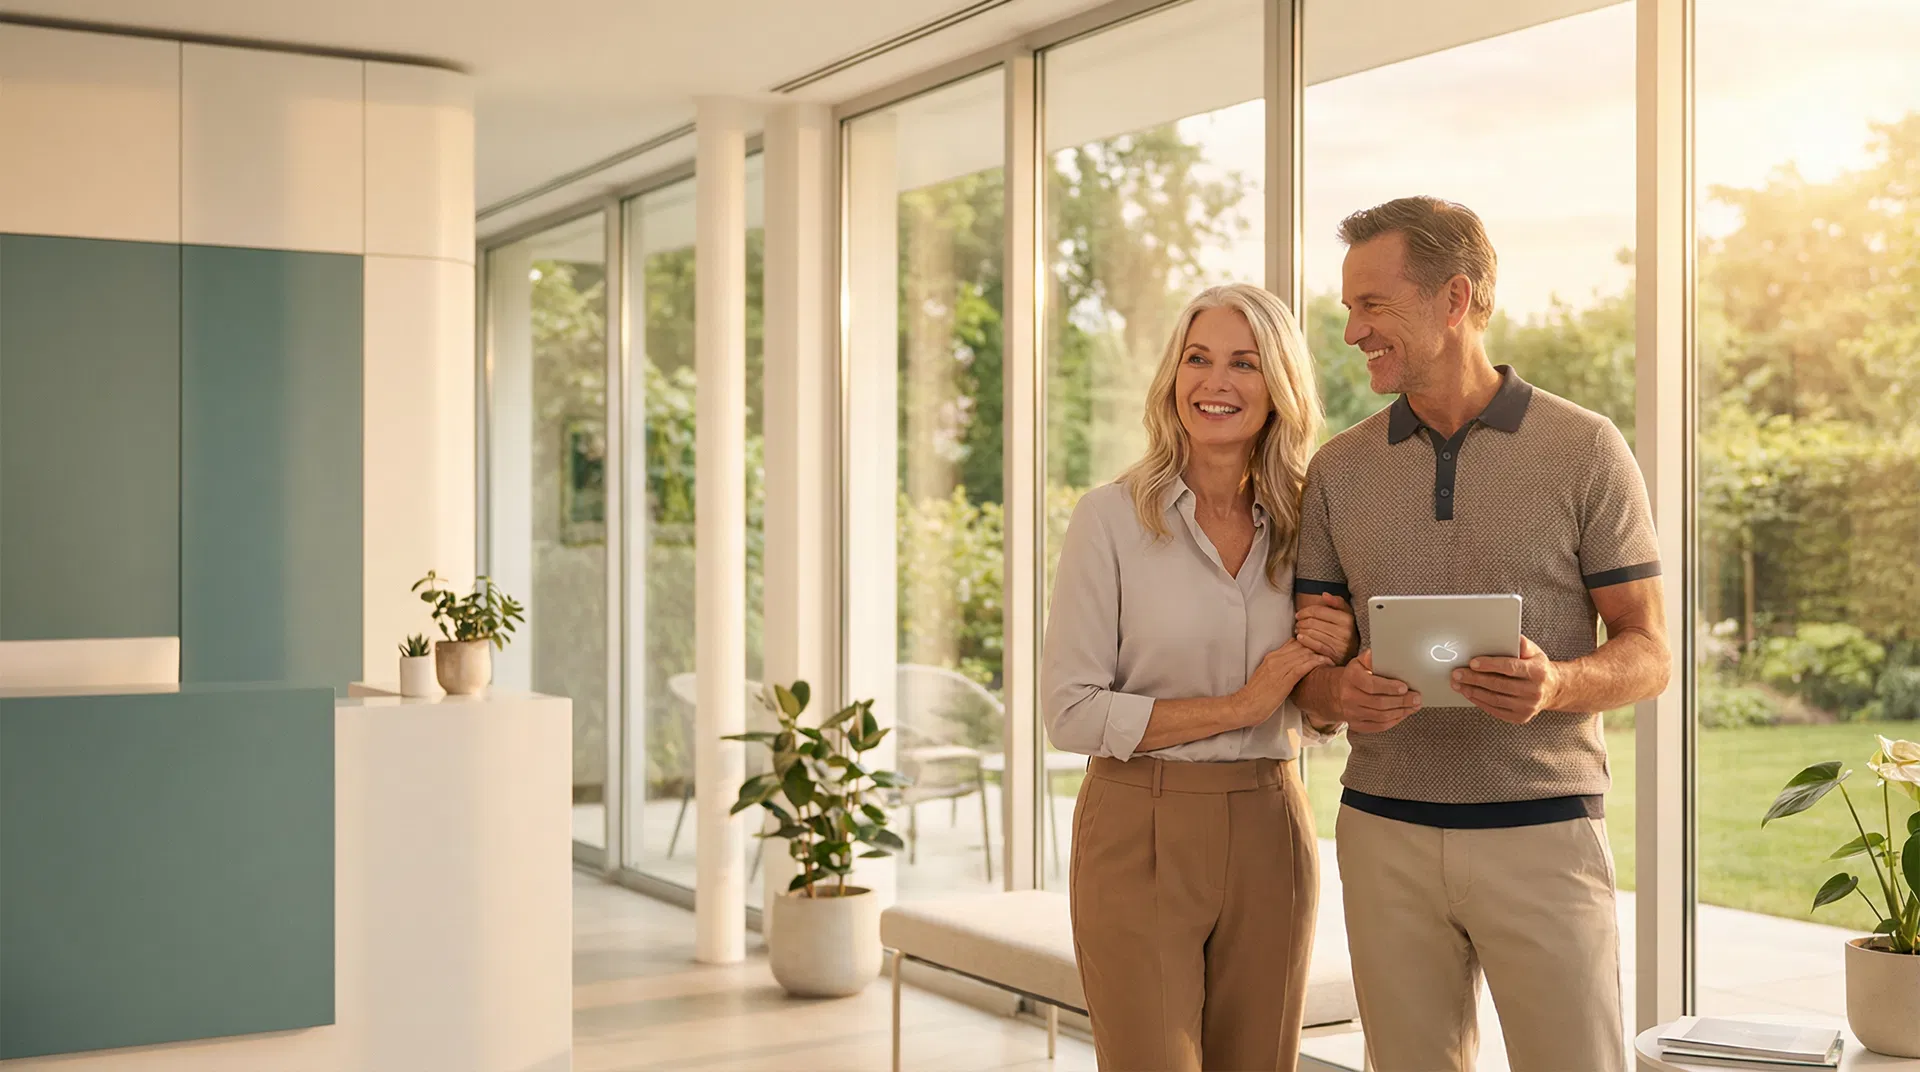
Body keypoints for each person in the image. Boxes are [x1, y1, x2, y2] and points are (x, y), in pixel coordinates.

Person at [1291, 196, 1671, 1072]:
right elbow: (1311, 667)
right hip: (1382, 833)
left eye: (1372, 304)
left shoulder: (1585, 449)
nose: (1353, 330)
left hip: (1542, 832)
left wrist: (1559, 685)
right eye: (1350, 307)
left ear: (1453, 299)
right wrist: (1334, 693)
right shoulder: (1338, 471)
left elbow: (1650, 651)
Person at [1041, 283, 1356, 1072]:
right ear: (1172, 377)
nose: (1216, 383)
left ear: (1278, 386)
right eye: (1198, 359)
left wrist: (1336, 660)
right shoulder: (1109, 519)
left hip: (1271, 827)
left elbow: (1321, 715)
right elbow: (1071, 713)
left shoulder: (1308, 523)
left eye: (1244, 364)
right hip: (1137, 824)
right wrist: (1242, 704)